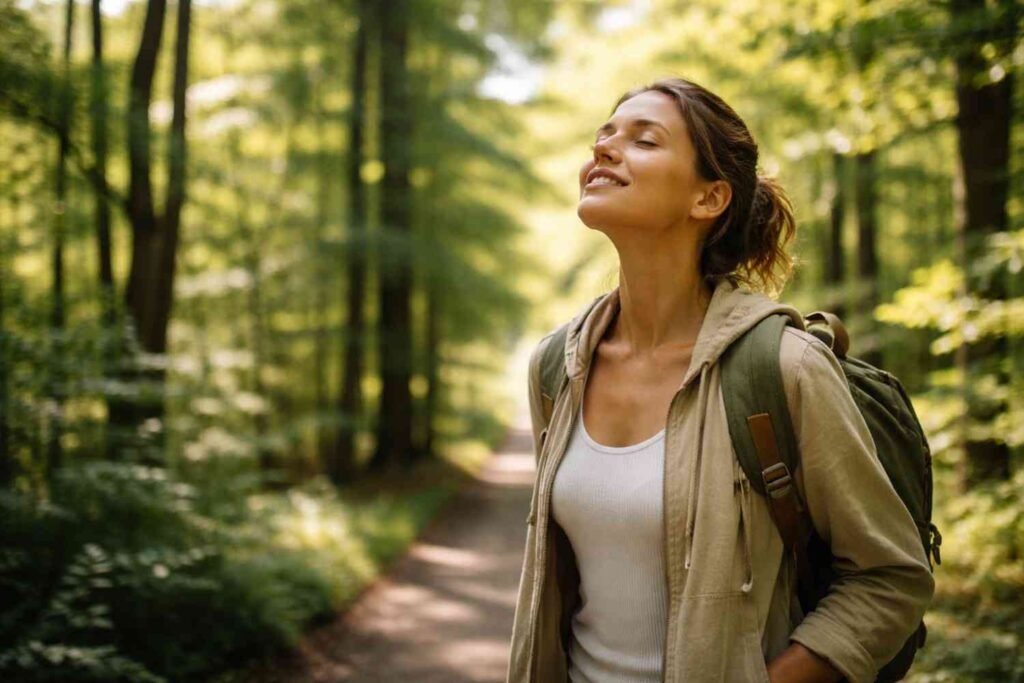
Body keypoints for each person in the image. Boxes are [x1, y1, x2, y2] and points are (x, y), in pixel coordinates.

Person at [505, 77, 934, 683]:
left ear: (708, 199)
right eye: (604, 134)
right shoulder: (557, 366)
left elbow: (890, 579)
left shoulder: (784, 368)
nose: (603, 149)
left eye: (643, 140)